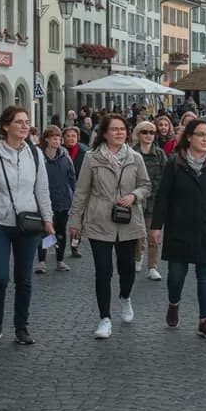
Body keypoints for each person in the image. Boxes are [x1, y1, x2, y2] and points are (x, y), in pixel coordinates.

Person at [0, 106, 54, 348]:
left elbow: (42, 189)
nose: (25, 126)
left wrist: (48, 220)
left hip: (28, 223)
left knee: (24, 278)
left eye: (27, 122)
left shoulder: (35, 154)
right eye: (19, 122)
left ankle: (21, 327)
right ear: (6, 126)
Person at [151, 118, 206, 339]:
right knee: (176, 276)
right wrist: (156, 226)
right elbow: (163, 197)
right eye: (201, 134)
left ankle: (204, 320)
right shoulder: (174, 163)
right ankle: (174, 303)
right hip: (179, 228)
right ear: (189, 137)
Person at [69, 114, 150, 340]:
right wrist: (74, 221)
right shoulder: (92, 158)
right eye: (114, 129)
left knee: (126, 267)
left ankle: (125, 296)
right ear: (104, 133)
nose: (119, 133)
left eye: (122, 129)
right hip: (99, 220)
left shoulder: (135, 158)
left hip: (128, 220)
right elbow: (81, 191)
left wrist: (134, 195)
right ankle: (104, 318)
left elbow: (146, 185)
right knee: (103, 271)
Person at [37, 125, 76, 273]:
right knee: (46, 231)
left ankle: (60, 260)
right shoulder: (39, 156)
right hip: (45, 201)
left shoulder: (65, 156)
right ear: (46, 139)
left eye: (59, 138)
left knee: (59, 232)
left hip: (62, 201)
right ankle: (42, 261)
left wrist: (73, 197)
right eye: (54, 138)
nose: (57, 141)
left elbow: (72, 178)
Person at [132, 120, 166, 281]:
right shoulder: (131, 152)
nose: (148, 135)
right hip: (136, 200)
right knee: (137, 234)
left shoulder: (160, 154)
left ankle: (152, 266)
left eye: (152, 132)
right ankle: (137, 258)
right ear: (138, 134)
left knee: (153, 235)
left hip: (155, 200)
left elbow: (166, 176)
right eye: (145, 132)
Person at [62, 126, 87, 259]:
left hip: (78, 192)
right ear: (63, 138)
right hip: (61, 191)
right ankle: (55, 245)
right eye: (68, 136)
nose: (71, 138)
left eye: (73, 136)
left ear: (78, 138)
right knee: (59, 222)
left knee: (77, 222)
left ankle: (74, 246)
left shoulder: (84, 154)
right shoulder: (58, 151)